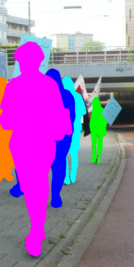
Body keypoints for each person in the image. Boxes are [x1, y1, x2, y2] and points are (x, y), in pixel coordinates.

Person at [0, 42, 71, 257]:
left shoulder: (14, 85)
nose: (21, 65)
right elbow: (58, 114)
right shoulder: (49, 84)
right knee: (39, 183)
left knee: (31, 186)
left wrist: (11, 118)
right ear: (39, 61)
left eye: (21, 61)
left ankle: (36, 228)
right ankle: (37, 226)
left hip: (22, 142)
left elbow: (5, 121)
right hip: (44, 142)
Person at [46, 69, 77, 208]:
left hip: (44, 138)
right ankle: (56, 196)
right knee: (59, 165)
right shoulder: (67, 95)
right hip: (62, 137)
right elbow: (73, 117)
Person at [0, 77, 15, 184]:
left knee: (7, 151)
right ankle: (1, 172)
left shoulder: (11, 98)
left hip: (8, 129)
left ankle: (7, 172)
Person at [63, 76, 87, 184]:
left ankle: (66, 178)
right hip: (76, 127)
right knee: (74, 152)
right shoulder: (77, 96)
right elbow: (84, 112)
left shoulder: (62, 96)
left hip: (64, 128)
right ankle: (73, 175)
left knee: (63, 153)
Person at [90, 96, 107, 164]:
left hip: (94, 129)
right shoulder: (102, 110)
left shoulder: (93, 111)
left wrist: (91, 129)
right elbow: (105, 121)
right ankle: (99, 156)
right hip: (100, 129)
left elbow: (92, 121)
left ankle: (94, 155)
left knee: (94, 143)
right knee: (100, 142)